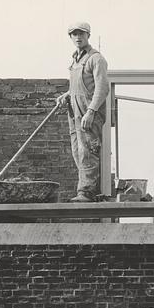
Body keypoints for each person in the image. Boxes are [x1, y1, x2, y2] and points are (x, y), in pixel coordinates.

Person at [55, 22, 110, 202]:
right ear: (70, 37)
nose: (78, 37)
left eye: (82, 34)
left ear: (88, 35)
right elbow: (79, 86)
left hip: (89, 112)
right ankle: (87, 190)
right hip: (75, 112)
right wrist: (67, 95)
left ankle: (86, 192)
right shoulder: (75, 59)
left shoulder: (96, 59)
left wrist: (91, 111)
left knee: (88, 151)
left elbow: (102, 88)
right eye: (74, 34)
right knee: (78, 151)